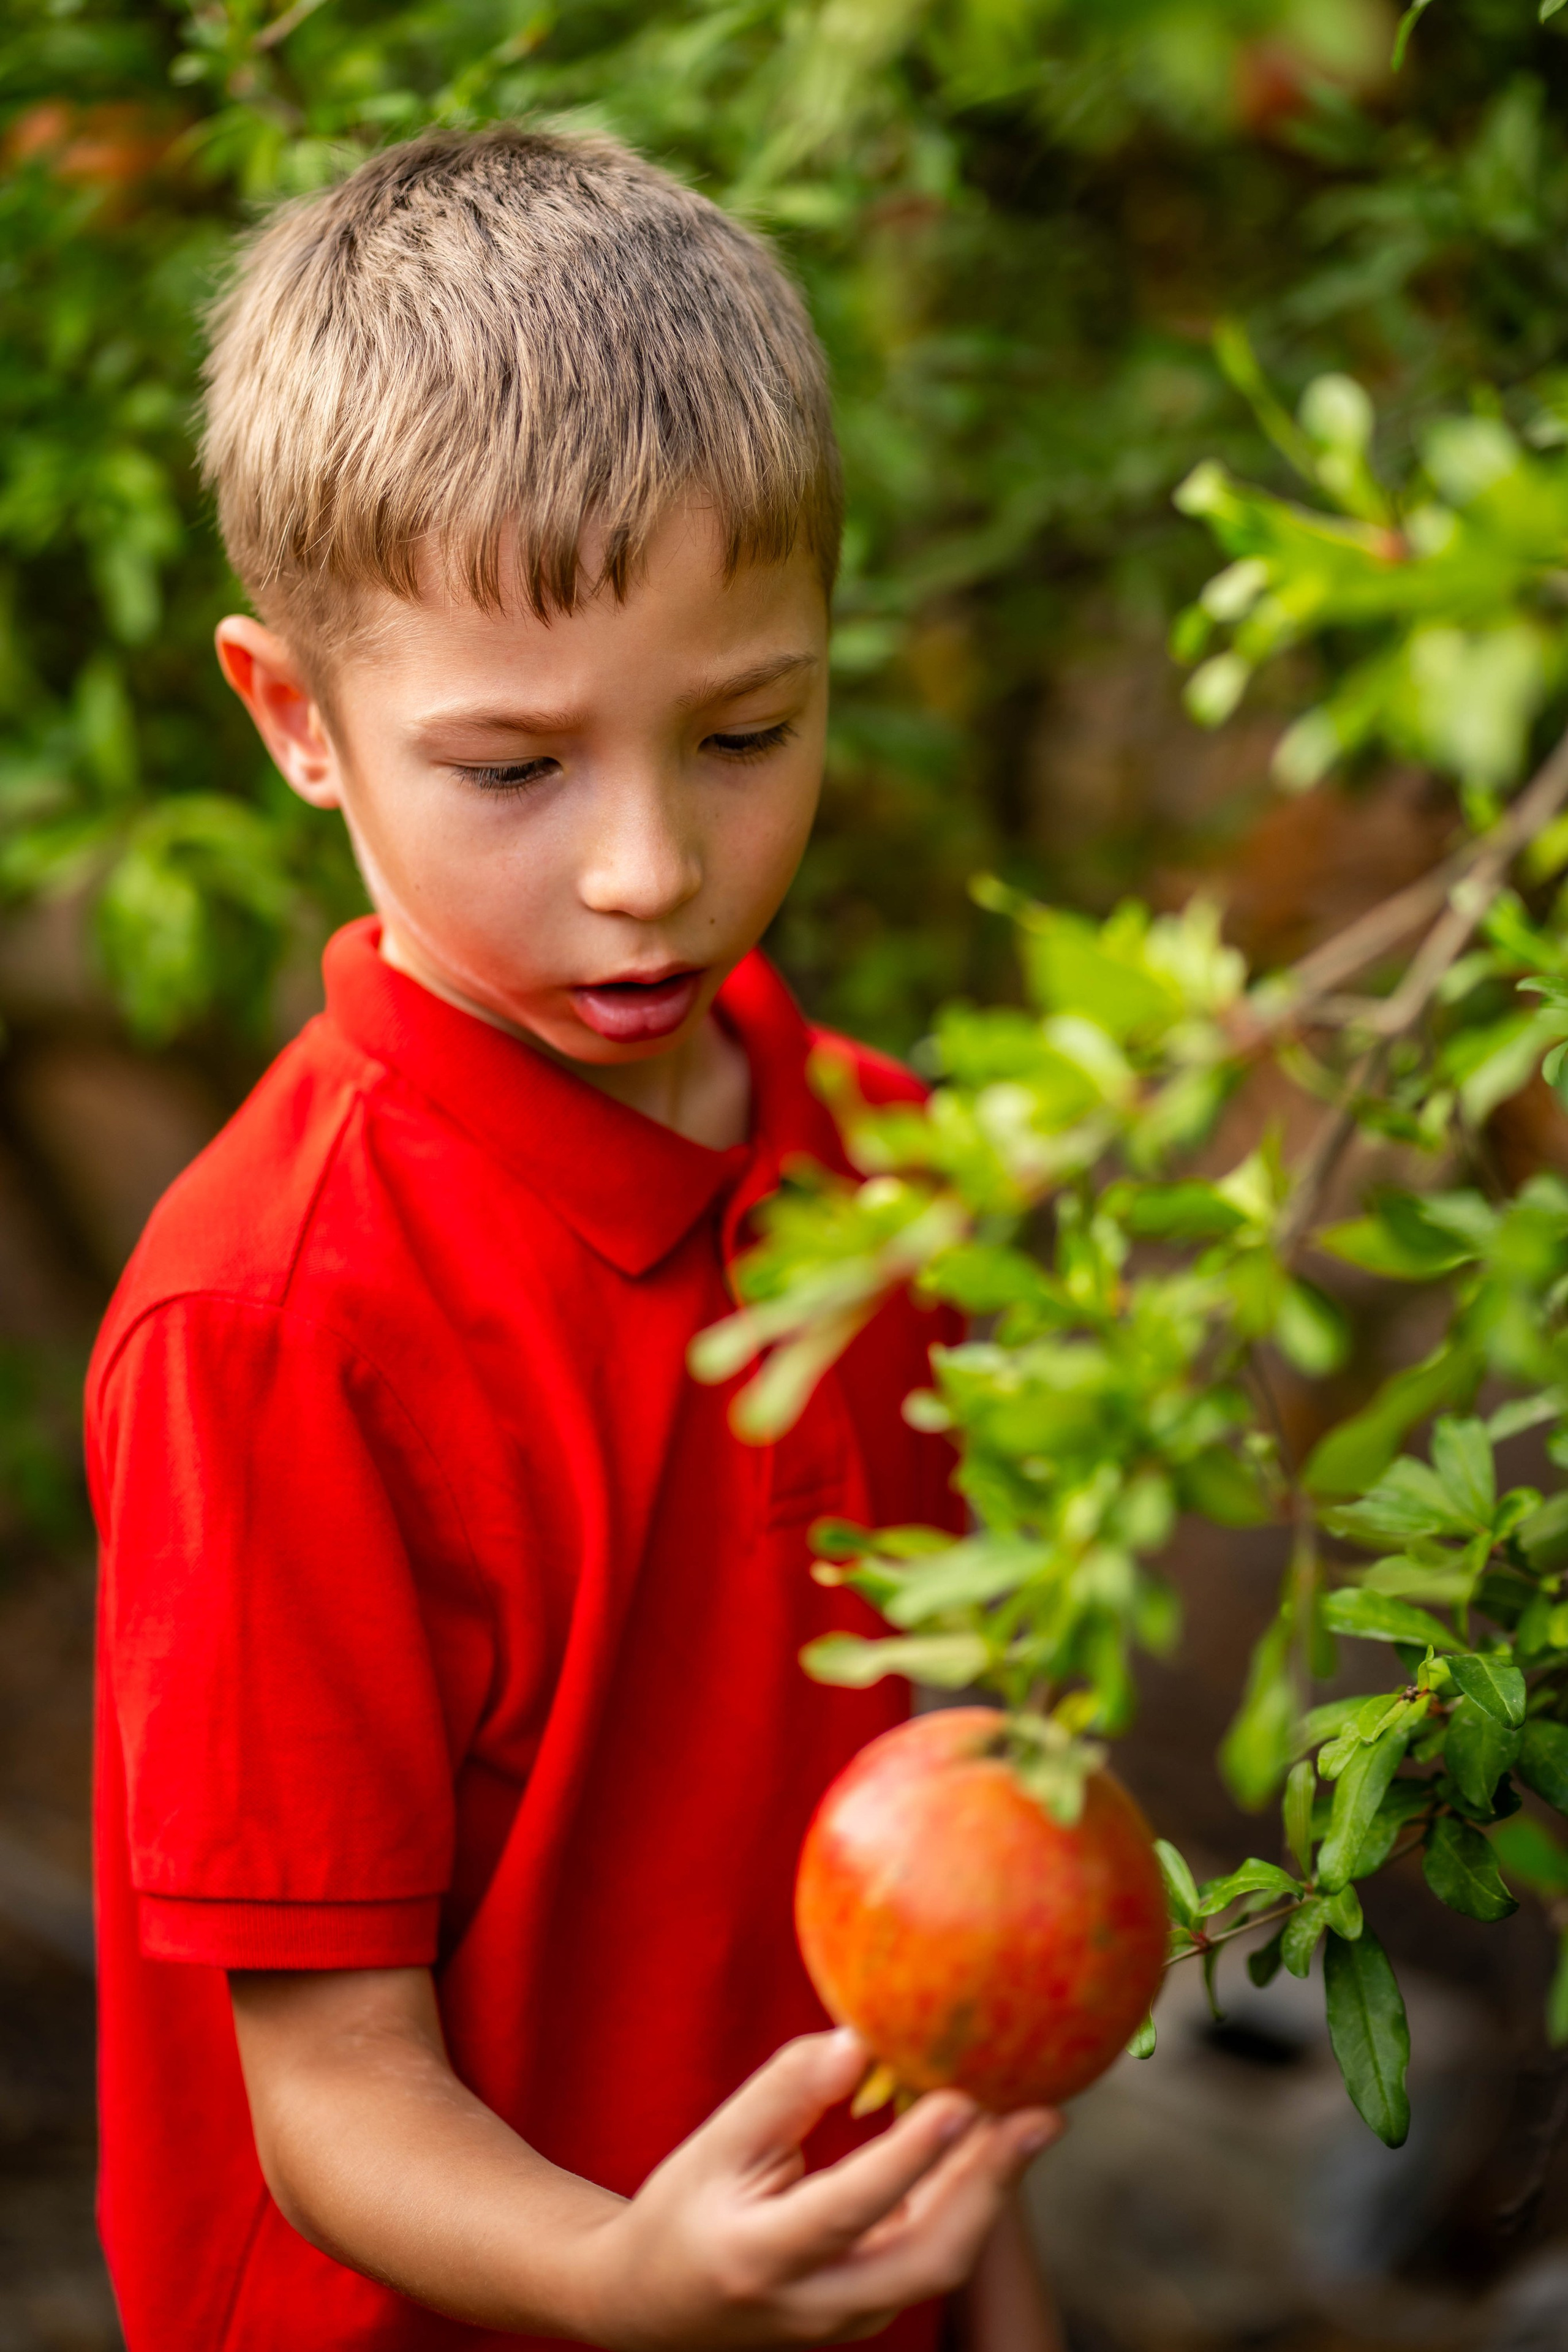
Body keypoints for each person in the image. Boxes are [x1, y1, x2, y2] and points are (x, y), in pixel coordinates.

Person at [87, 126, 1063, 2352]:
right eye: (514, 770)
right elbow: (327, 2080)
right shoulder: (273, 1322)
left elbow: (930, 1881)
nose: (648, 867)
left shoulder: (893, 1177)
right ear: (293, 719)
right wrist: (625, 2278)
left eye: (746, 732)